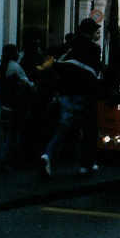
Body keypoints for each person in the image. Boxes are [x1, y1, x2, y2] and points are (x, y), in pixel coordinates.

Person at [41, 18, 102, 177]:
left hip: (65, 94)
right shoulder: (94, 49)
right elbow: (96, 71)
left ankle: (47, 154)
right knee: (89, 130)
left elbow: (53, 62)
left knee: (62, 128)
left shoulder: (69, 46)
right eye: (96, 31)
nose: (97, 34)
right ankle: (86, 165)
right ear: (89, 32)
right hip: (85, 95)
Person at [0, 43, 36, 169]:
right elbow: (28, 84)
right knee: (13, 134)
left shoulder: (3, 66)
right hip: (14, 105)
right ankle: (6, 159)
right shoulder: (15, 67)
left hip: (4, 104)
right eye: (17, 51)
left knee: (8, 133)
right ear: (14, 53)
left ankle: (6, 158)